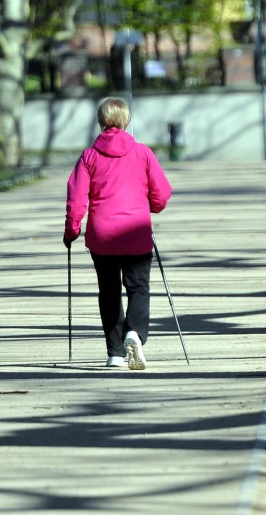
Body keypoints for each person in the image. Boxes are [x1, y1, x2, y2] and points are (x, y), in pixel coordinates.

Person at [64, 97, 173, 370]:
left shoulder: (89, 156)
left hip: (103, 236)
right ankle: (134, 332)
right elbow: (161, 193)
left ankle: (114, 353)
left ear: (100, 121)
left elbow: (76, 199)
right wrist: (151, 207)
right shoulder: (143, 153)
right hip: (136, 232)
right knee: (139, 287)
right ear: (126, 121)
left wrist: (71, 231)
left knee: (109, 292)